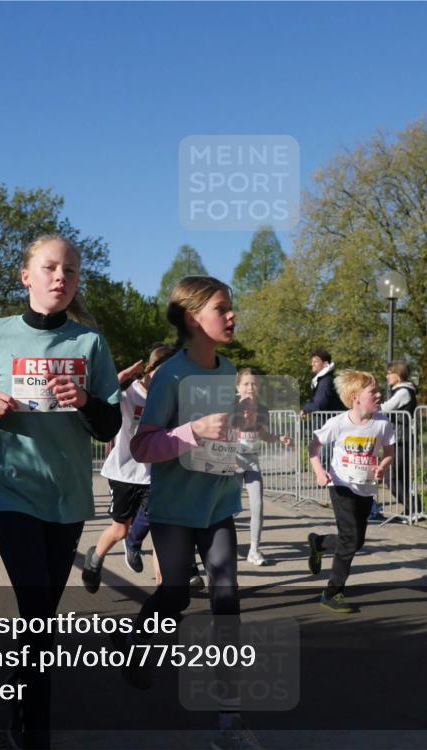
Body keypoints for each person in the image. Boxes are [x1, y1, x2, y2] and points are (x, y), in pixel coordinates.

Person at [0, 234, 121, 750]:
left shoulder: (89, 343)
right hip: (9, 490)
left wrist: (85, 399)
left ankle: (21, 703)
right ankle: (36, 732)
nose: (60, 277)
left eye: (69, 270)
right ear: (27, 276)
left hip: (65, 496)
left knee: (41, 615)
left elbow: (108, 424)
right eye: (49, 268)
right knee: (38, 606)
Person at [123, 275, 259, 750]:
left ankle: (229, 719)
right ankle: (138, 643)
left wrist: (237, 432)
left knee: (227, 600)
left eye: (230, 307)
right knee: (175, 597)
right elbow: (142, 446)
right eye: (221, 308)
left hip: (219, 503)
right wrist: (194, 429)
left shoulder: (228, 369)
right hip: (175, 509)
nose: (231, 315)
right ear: (191, 317)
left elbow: (220, 436)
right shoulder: (170, 376)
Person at [82, 344, 176, 593]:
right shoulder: (128, 394)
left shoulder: (169, 398)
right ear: (151, 369)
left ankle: (163, 595)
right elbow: (98, 396)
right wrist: (121, 377)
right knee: (120, 530)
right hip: (124, 473)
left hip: (155, 476)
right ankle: (94, 559)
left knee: (160, 534)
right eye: (164, 372)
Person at [305, 370, 394, 614]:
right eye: (372, 391)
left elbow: (389, 452)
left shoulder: (382, 423)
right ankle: (332, 593)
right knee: (350, 539)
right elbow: (313, 446)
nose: (379, 394)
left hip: (365, 488)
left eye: (378, 390)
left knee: (356, 540)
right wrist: (319, 472)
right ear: (355, 397)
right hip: (341, 485)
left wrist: (382, 467)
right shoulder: (339, 423)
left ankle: (319, 542)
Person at [234, 368, 291, 565]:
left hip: (252, 463)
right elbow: (221, 435)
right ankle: (214, 544)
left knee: (257, 506)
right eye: (246, 384)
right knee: (229, 510)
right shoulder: (231, 407)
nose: (251, 387)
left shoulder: (263, 409)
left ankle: (254, 550)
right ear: (238, 387)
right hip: (232, 463)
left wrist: (278, 438)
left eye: (254, 384)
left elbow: (263, 435)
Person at [377, 361, 418, 520]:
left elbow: (386, 408)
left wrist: (369, 407)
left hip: (402, 439)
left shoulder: (403, 392)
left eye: (389, 373)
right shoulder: (401, 390)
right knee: (400, 477)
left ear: (398, 374)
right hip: (400, 438)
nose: (387, 376)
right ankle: (413, 510)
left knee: (391, 477)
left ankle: (414, 509)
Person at [302, 348, 346, 414]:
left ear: (325, 364)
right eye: (312, 362)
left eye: (315, 361)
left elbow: (319, 405)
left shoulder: (326, 381)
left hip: (327, 422)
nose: (312, 364)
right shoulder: (324, 379)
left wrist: (305, 408)